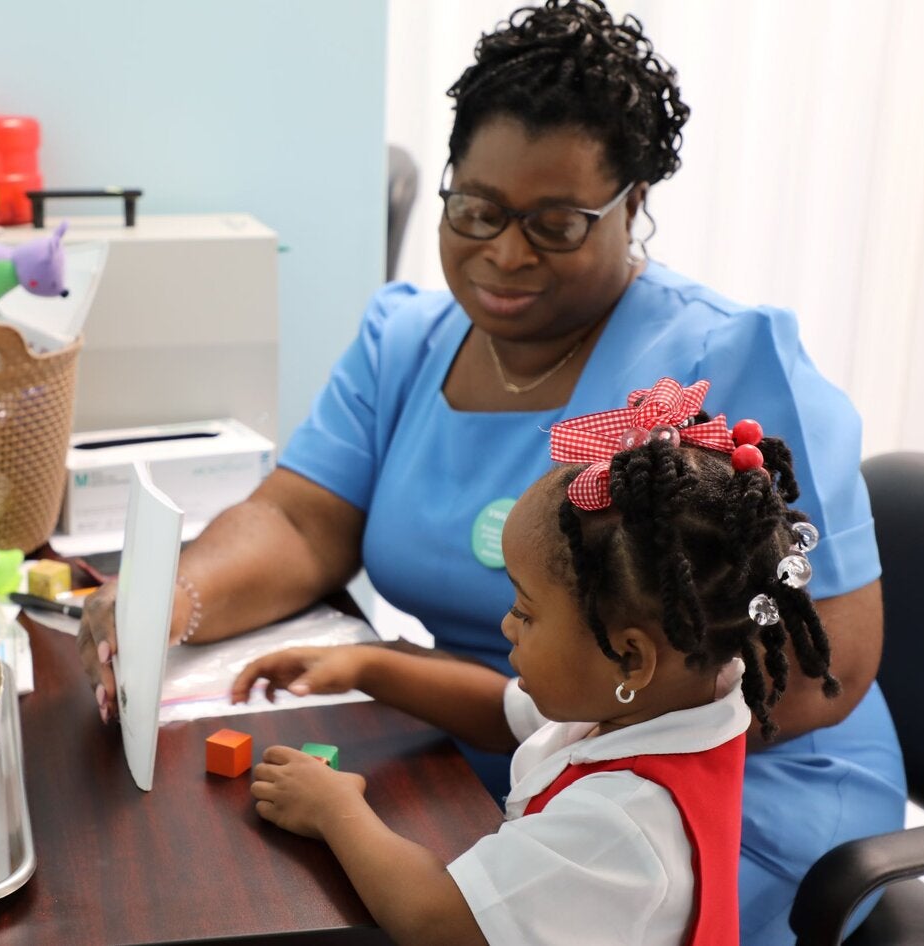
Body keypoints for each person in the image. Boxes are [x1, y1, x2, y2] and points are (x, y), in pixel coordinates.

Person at [77, 2, 905, 941]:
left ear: (634, 205)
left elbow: (823, 663)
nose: (505, 252)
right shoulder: (405, 341)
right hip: (521, 733)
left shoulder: (725, 360)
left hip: (702, 792)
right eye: (477, 210)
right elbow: (304, 521)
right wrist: (168, 602)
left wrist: (575, 731)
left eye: (556, 223)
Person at [231, 379, 834, 945]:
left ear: (630, 657)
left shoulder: (619, 824)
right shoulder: (686, 686)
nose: (506, 624)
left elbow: (436, 918)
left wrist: (337, 810)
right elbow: (500, 709)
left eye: (525, 610)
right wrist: (369, 666)